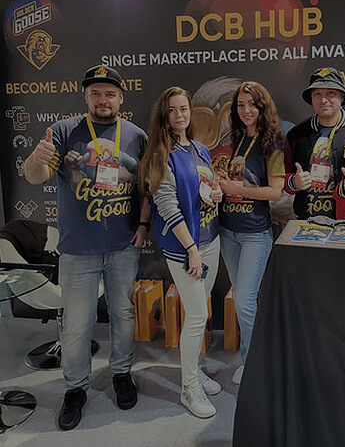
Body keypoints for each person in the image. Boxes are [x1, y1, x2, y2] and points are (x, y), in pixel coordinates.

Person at [24, 64, 149, 430]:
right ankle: (76, 388)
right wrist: (36, 158)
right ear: (86, 97)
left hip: (123, 245)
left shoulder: (136, 135)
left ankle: (121, 373)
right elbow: (37, 176)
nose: (102, 100)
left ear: (121, 98)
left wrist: (143, 225)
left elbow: (144, 185)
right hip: (78, 250)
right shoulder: (64, 131)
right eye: (95, 93)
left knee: (123, 314)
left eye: (109, 93)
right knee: (78, 324)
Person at [138, 86, 222, 419]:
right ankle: (189, 388)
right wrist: (191, 249)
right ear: (164, 114)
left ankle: (194, 370)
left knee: (199, 313)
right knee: (198, 315)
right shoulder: (160, 154)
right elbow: (168, 207)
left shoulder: (200, 149)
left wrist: (215, 192)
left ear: (191, 112)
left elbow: (206, 187)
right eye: (172, 110)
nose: (179, 115)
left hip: (210, 238)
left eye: (183, 109)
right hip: (185, 248)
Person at [218, 81, 285, 384]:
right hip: (228, 231)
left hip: (255, 233)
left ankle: (257, 365)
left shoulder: (272, 142)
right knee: (243, 300)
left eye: (252, 105)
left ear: (263, 107)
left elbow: (275, 192)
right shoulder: (236, 138)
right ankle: (250, 359)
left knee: (245, 301)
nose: (246, 110)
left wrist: (235, 188)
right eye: (241, 105)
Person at [284, 67, 345, 220]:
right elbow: (283, 178)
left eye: (330, 93)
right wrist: (294, 182)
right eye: (317, 94)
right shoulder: (296, 134)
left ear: (342, 96)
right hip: (306, 220)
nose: (323, 100)